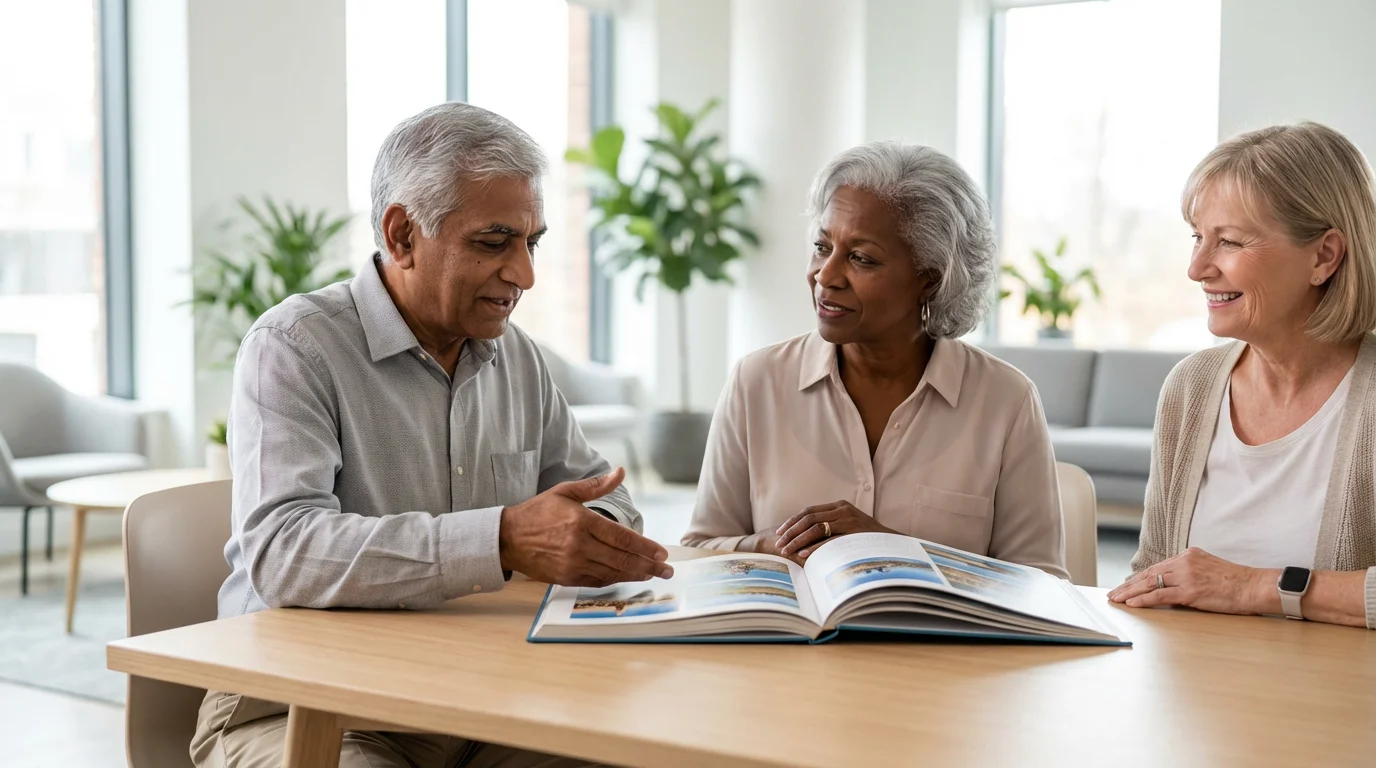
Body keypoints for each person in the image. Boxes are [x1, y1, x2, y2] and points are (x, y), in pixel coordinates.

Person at [191, 102, 673, 768]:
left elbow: (606, 500)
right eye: (494, 241)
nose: (524, 274)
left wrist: (587, 531)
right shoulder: (294, 347)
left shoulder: (519, 359)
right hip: (306, 705)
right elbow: (283, 552)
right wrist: (502, 539)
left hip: (481, 693)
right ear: (401, 234)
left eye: (531, 242)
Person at [682, 141, 1067, 577]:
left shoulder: (1005, 401)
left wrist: (890, 551)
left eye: (860, 258)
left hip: (935, 647)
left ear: (930, 278)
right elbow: (699, 549)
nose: (824, 277)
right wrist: (765, 547)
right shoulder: (756, 381)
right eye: (822, 247)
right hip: (786, 644)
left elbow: (1044, 585)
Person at [1109, 122, 1376, 630]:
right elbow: (1151, 578)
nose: (1197, 268)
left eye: (1229, 241)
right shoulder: (1191, 387)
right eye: (1197, 237)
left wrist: (1254, 586)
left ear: (1324, 256)